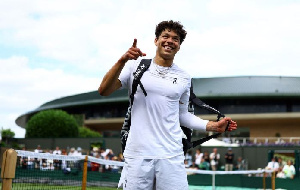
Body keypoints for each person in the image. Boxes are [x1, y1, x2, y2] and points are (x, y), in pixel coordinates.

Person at [98, 20, 237, 190]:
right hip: (137, 156)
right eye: (166, 36)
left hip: (171, 155)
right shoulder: (135, 66)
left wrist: (213, 126)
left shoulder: (184, 77)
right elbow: (104, 90)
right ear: (156, 40)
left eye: (175, 39)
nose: (170, 41)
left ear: (179, 46)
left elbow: (182, 115)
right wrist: (122, 60)